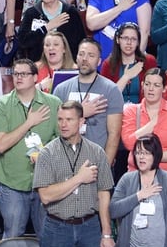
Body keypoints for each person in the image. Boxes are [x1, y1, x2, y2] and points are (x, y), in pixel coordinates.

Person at [34, 100, 116, 247]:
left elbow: (103, 193)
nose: (63, 124)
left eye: (69, 119)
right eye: (60, 119)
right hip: (57, 227)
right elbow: (46, 196)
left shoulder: (96, 152)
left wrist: (106, 232)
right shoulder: (47, 154)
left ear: (81, 121)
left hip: (90, 227)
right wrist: (79, 178)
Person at [0, 58, 62, 238]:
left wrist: (44, 156)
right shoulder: (0, 105)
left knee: (48, 238)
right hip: (13, 184)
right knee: (12, 236)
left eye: (24, 74)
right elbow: (2, 145)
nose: (18, 77)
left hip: (45, 183)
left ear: (35, 77)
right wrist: (29, 122)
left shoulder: (53, 103)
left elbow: (61, 141)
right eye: (16, 73)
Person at [110, 135, 167, 247]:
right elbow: (113, 210)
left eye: (146, 153)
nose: (141, 157)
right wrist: (139, 196)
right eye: (138, 152)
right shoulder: (127, 179)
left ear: (155, 155)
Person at [51, 39, 125, 167]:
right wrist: (82, 112)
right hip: (66, 162)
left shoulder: (111, 90)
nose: (85, 59)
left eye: (91, 55)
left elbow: (114, 134)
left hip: (97, 161)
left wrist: (104, 168)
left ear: (99, 61)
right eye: (81, 54)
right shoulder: (61, 89)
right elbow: (54, 128)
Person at [120, 69, 167, 175]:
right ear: (142, 85)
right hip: (136, 174)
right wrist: (151, 125)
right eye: (147, 84)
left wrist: (150, 157)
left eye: (156, 85)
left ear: (164, 88)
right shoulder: (131, 111)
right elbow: (129, 143)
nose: (151, 89)